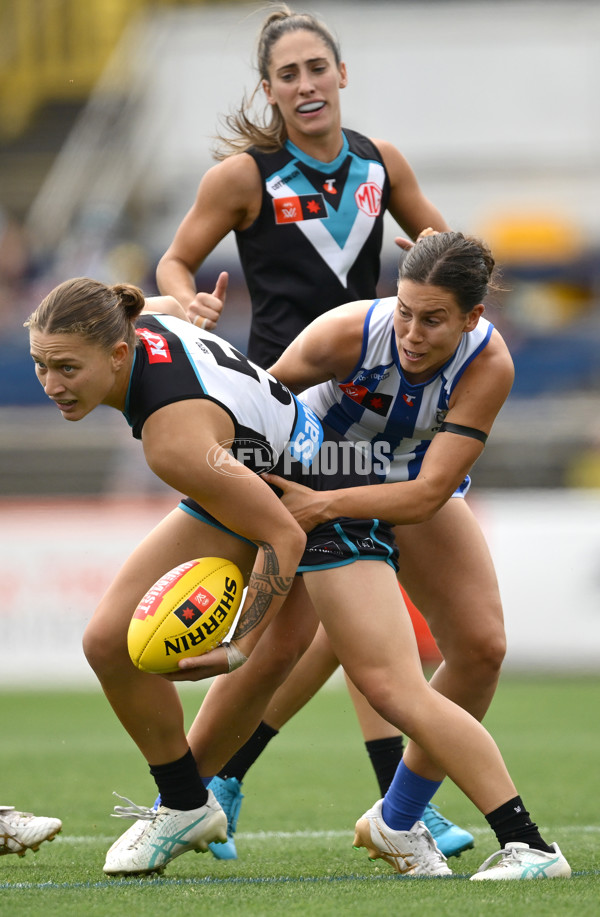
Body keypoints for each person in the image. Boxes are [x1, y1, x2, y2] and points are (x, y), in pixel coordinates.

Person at [26, 271, 570, 881]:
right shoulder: (144, 320)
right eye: (41, 364)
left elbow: (284, 533)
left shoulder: (171, 441)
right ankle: (184, 802)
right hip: (247, 477)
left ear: (119, 352)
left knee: (392, 688)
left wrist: (241, 644)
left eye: (68, 368)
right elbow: (169, 302)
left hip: (317, 496)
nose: (52, 384)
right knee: (107, 642)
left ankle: (531, 847)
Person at [155, 2, 466, 858]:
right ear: (270, 90)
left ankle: (220, 782)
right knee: (339, 609)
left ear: (340, 75)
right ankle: (388, 806)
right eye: (287, 75)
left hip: (367, 403)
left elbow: (440, 242)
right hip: (284, 406)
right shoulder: (245, 179)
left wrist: (458, 305)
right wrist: (184, 297)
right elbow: (176, 259)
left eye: (316, 69)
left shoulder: (379, 161)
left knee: (337, 615)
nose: (305, 85)